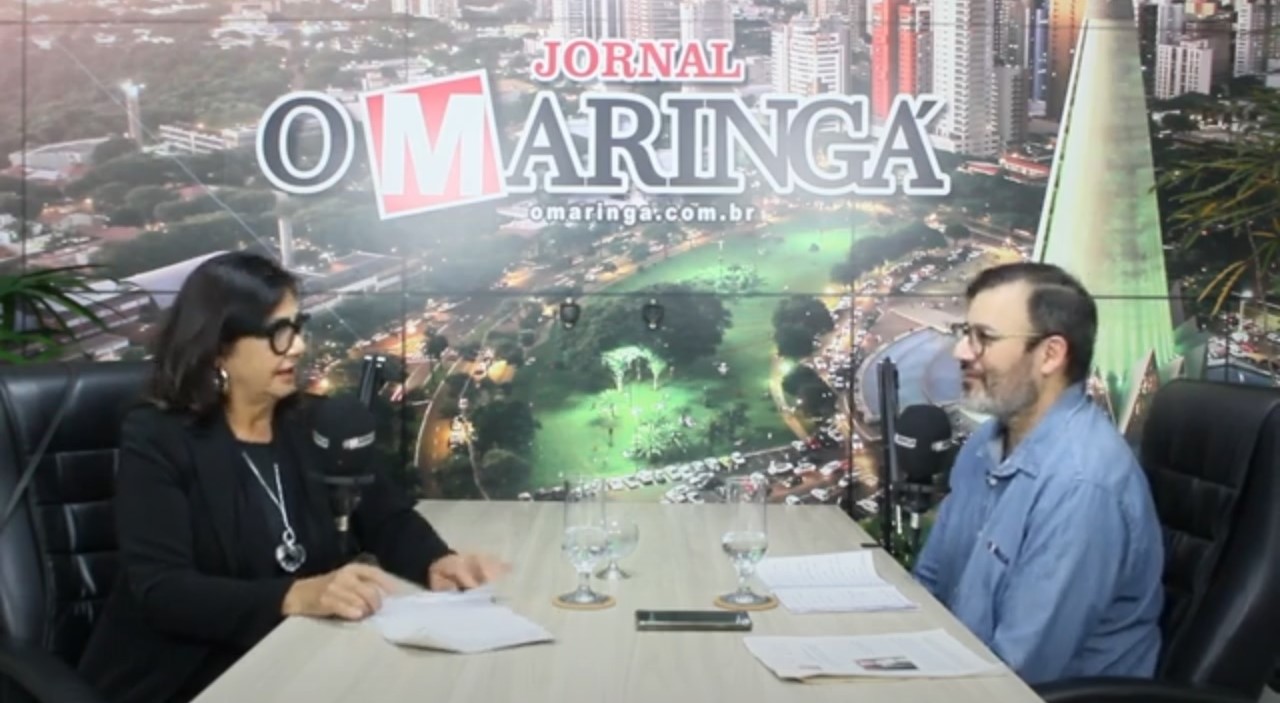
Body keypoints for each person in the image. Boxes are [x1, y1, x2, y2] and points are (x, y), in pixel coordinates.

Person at [77, 251, 507, 703]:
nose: (298, 346)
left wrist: (434, 561)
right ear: (219, 346)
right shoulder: (159, 437)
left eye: (298, 327)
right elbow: (162, 591)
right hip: (184, 679)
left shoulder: (315, 424)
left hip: (297, 659)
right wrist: (293, 596)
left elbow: (387, 518)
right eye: (278, 332)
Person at [912, 262, 1164, 685]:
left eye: (984, 338)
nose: (961, 352)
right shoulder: (983, 445)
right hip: (961, 674)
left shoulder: (1082, 486)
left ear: (1050, 355)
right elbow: (930, 584)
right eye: (964, 332)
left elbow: (1020, 671)